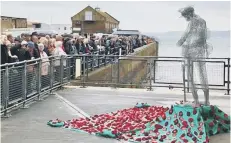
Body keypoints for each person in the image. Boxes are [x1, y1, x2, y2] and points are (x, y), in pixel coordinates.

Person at [176, 6, 210, 106]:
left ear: (188, 14)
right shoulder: (202, 21)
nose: (184, 18)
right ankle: (206, 100)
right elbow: (202, 37)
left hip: (191, 50)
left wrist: (181, 42)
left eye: (184, 16)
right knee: (202, 74)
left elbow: (186, 35)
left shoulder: (193, 21)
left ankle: (196, 100)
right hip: (199, 50)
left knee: (191, 76)